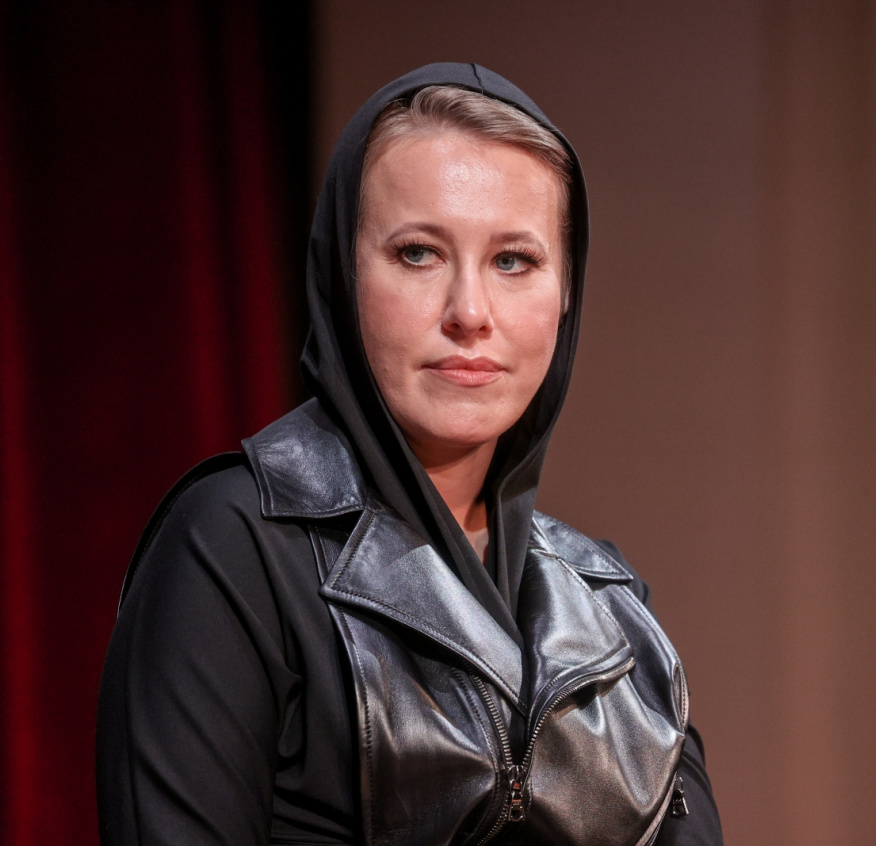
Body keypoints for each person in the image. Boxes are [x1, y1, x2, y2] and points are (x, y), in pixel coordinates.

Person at [96, 62, 723, 845]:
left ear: (567, 292)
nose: (470, 312)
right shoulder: (233, 548)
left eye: (513, 260)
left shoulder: (611, 607)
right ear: (343, 273)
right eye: (420, 253)